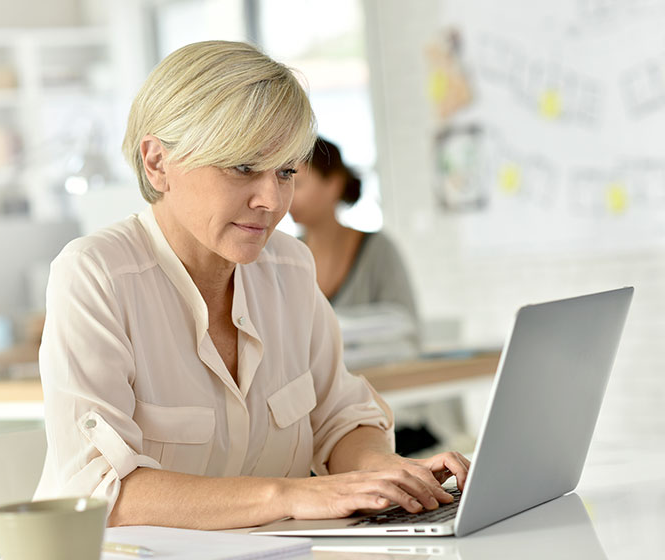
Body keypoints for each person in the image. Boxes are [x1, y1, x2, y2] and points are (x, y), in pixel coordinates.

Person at [33, 40, 469, 530]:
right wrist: (290, 495)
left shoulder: (290, 268)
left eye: (285, 172)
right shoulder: (95, 275)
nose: (272, 200)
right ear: (157, 163)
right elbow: (100, 492)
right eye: (243, 167)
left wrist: (380, 471)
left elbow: (342, 418)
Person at [289, 136, 418, 330]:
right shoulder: (285, 256)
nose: (286, 195)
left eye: (297, 184)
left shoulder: (378, 249)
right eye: (283, 181)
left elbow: (407, 327)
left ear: (334, 184)